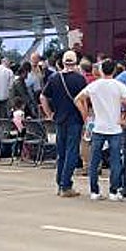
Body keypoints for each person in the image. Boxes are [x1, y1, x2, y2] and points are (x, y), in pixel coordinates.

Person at [76, 59, 126, 201]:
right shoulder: (119, 85)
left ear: (101, 70)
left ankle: (94, 191)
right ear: (114, 70)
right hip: (115, 128)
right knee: (115, 161)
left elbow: (78, 99)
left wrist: (85, 115)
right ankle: (114, 191)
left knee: (94, 161)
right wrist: (125, 120)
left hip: (98, 126)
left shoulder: (94, 86)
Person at [39, 50, 88, 197]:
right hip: (75, 120)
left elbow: (42, 97)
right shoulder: (80, 79)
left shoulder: (54, 78)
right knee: (72, 152)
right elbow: (84, 101)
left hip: (59, 119)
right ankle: (66, 185)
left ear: (62, 62)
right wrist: (85, 118)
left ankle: (60, 183)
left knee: (61, 153)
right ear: (75, 62)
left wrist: (49, 114)